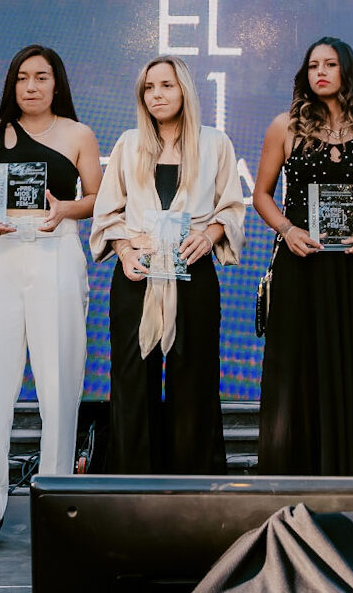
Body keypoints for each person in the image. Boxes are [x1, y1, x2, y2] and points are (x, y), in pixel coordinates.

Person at [0, 45, 99, 557]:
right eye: (22, 77)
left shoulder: (79, 134)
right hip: (0, 252)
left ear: (57, 84)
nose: (32, 86)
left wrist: (67, 208)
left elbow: (97, 198)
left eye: (42, 77)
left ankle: (58, 508)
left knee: (59, 385)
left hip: (56, 251)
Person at [92, 57, 246, 478]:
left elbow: (231, 208)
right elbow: (107, 214)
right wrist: (124, 252)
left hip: (192, 274)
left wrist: (210, 235)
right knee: (131, 381)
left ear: (185, 92)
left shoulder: (215, 143)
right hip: (136, 276)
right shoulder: (128, 143)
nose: (157, 94)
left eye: (166, 85)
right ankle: (131, 490)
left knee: (193, 380)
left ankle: (194, 491)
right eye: (149, 88)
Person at [252, 37, 353, 476]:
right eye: (313, 64)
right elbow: (261, 195)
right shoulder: (285, 126)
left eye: (330, 64)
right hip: (301, 264)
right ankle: (295, 477)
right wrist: (287, 229)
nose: (320, 72)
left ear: (346, 72)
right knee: (299, 371)